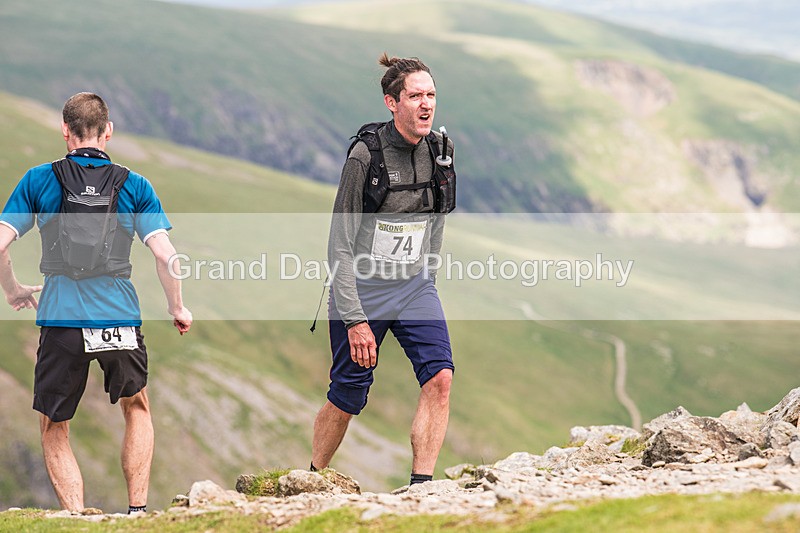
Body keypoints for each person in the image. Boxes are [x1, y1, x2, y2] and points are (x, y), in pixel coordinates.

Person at [0, 92, 192, 514]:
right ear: (108, 131)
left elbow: (0, 245)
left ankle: (75, 518)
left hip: (60, 316)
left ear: (65, 132)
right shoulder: (135, 184)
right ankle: (138, 512)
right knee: (136, 406)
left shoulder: (38, 180)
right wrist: (177, 307)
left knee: (54, 424)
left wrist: (12, 289)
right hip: (118, 315)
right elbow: (166, 256)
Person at [311, 54, 455, 486]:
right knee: (348, 394)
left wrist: (426, 277)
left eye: (431, 95)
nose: (426, 104)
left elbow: (436, 220)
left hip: (413, 287)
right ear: (392, 103)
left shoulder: (440, 152)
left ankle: (422, 488)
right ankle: (312, 478)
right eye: (415, 96)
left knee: (441, 376)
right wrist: (354, 319)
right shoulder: (365, 157)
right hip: (362, 290)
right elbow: (340, 243)